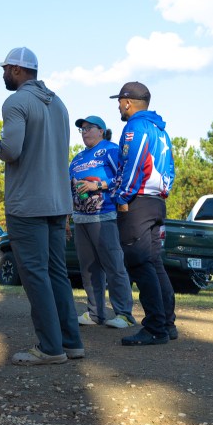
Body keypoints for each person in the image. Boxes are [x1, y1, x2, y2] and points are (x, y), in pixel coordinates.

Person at [0, 47, 82, 366]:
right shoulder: (58, 103)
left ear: (17, 70)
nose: (3, 74)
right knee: (57, 273)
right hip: (58, 202)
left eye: (5, 69)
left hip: (27, 203)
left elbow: (12, 149)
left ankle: (50, 348)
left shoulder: (15, 102)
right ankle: (71, 342)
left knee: (35, 275)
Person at [108, 81, 177, 346]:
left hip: (137, 202)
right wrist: (163, 191)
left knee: (139, 264)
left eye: (119, 102)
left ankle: (155, 327)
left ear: (127, 102)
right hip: (156, 201)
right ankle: (167, 324)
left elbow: (133, 163)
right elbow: (170, 168)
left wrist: (122, 197)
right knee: (153, 263)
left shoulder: (135, 127)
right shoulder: (160, 130)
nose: (118, 106)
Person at [69, 115, 136, 329]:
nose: (85, 132)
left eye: (89, 128)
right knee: (89, 269)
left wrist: (97, 186)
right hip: (80, 218)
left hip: (105, 215)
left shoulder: (111, 150)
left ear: (101, 131)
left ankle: (124, 314)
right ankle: (95, 313)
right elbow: (69, 188)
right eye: (82, 129)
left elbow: (124, 177)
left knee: (114, 265)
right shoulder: (77, 158)